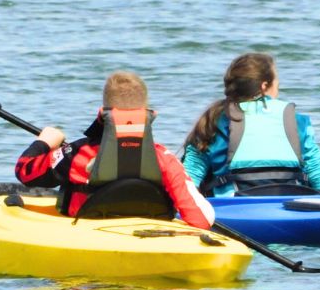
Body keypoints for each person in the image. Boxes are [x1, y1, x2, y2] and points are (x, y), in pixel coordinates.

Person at [15, 71, 215, 229]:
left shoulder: (78, 154)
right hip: (147, 239)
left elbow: (25, 172)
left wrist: (44, 142)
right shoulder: (164, 159)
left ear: (102, 114)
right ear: (149, 114)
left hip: (86, 238)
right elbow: (202, 219)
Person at [182, 53, 320, 197]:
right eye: (277, 84)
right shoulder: (296, 121)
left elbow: (188, 183)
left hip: (232, 209)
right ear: (264, 86)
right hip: (289, 206)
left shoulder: (214, 120)